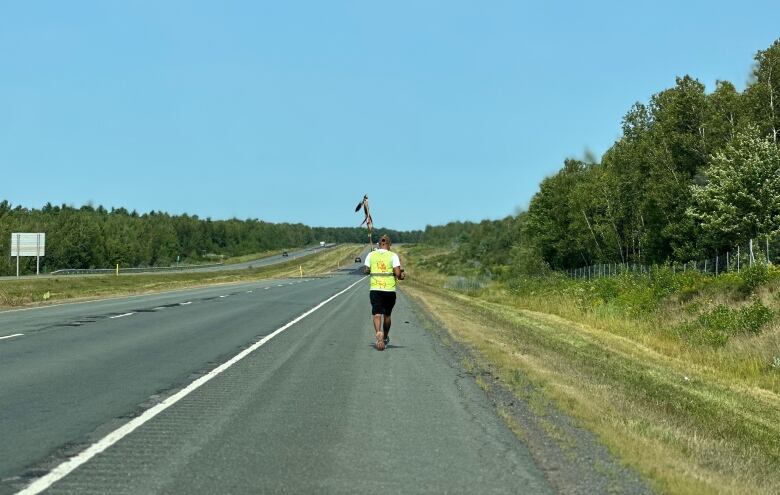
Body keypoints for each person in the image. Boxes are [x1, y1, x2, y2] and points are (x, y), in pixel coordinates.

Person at [363, 235, 405, 351]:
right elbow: (397, 274)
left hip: (375, 289)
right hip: (389, 290)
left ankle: (378, 334)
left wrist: (372, 268)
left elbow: (365, 270)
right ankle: (385, 337)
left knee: (377, 314)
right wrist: (401, 276)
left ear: (378, 244)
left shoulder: (371, 254)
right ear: (389, 245)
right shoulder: (393, 255)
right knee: (387, 315)